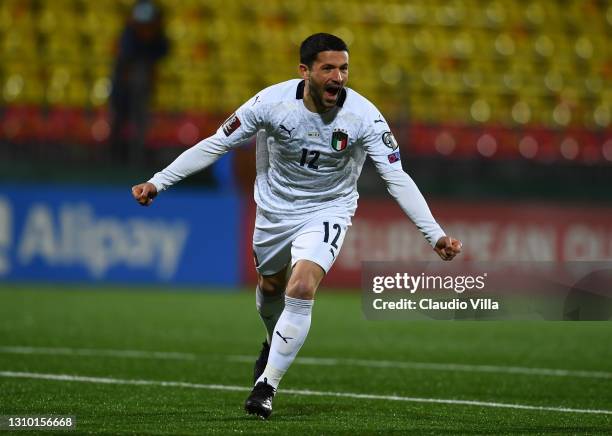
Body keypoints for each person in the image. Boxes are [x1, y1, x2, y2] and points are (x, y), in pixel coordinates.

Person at [131, 33, 462, 419]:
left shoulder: (365, 117)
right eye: (328, 68)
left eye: (344, 68)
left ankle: (266, 385)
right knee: (270, 287)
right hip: (274, 210)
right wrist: (159, 181)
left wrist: (434, 233)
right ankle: (273, 343)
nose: (338, 77)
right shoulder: (269, 104)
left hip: (329, 208)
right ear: (304, 71)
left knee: (301, 286)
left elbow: (396, 177)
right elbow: (215, 144)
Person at [109, 0, 169, 165]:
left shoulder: (157, 39)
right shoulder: (129, 36)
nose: (146, 30)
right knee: (119, 121)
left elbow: (163, 52)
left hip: (142, 90)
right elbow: (124, 60)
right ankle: (115, 157)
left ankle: (137, 157)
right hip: (123, 90)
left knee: (140, 122)